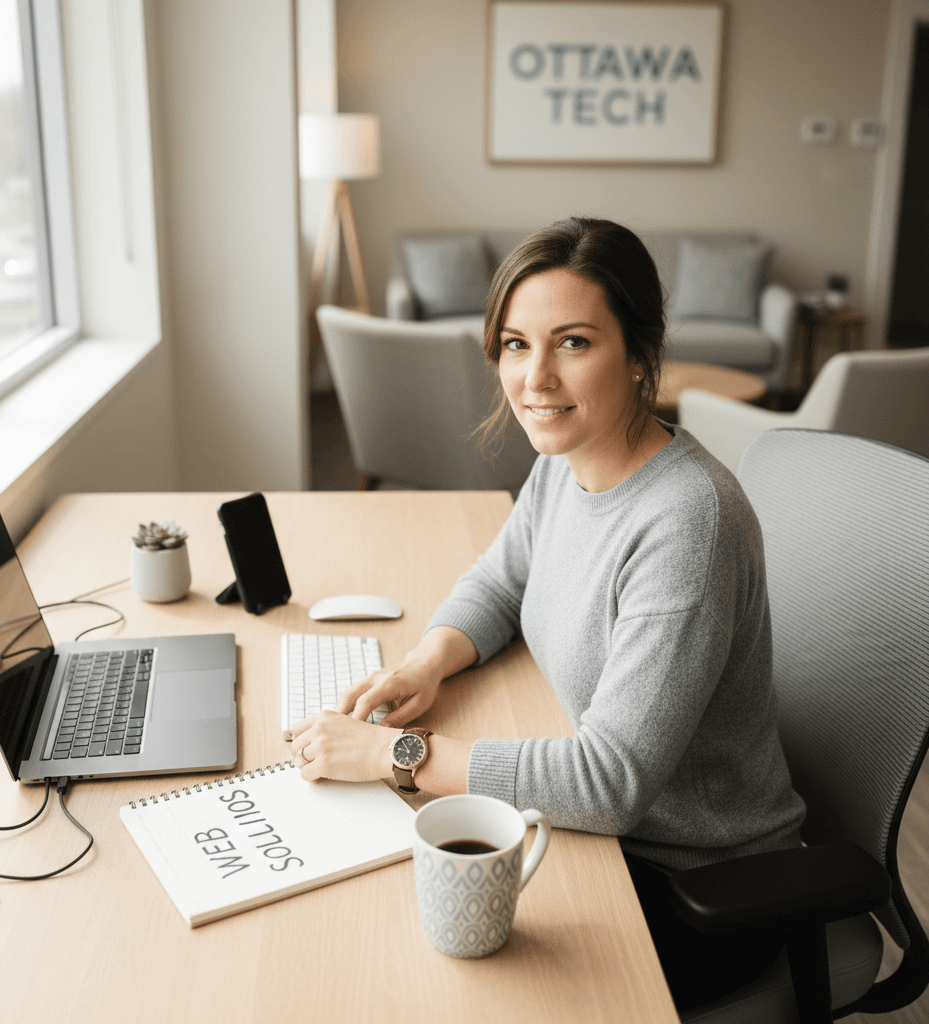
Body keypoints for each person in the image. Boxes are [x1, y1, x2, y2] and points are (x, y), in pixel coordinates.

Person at [290, 216, 805, 1009]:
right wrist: (426, 664)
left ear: (638, 355)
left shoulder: (687, 522)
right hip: (599, 841)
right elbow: (503, 580)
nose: (535, 380)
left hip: (689, 885)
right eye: (515, 344)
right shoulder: (566, 461)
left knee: (411, 969)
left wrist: (397, 755)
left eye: (572, 342)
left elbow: (608, 783)